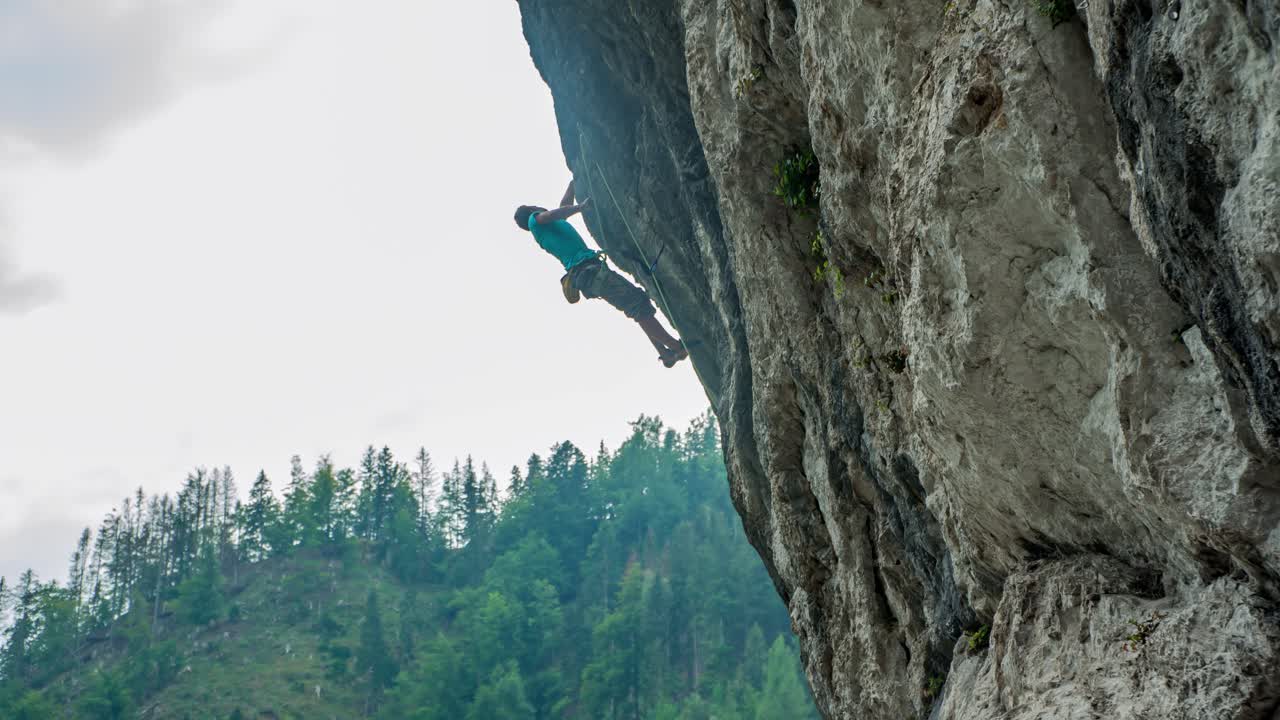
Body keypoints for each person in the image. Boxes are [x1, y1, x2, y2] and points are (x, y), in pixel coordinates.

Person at [514, 179, 687, 367]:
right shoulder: (535, 221)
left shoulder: (548, 229)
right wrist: (580, 207)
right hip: (588, 271)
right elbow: (556, 213)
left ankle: (665, 353)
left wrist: (572, 186)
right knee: (636, 304)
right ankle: (676, 348)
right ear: (532, 211)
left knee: (635, 303)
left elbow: (563, 209)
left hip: (589, 273)